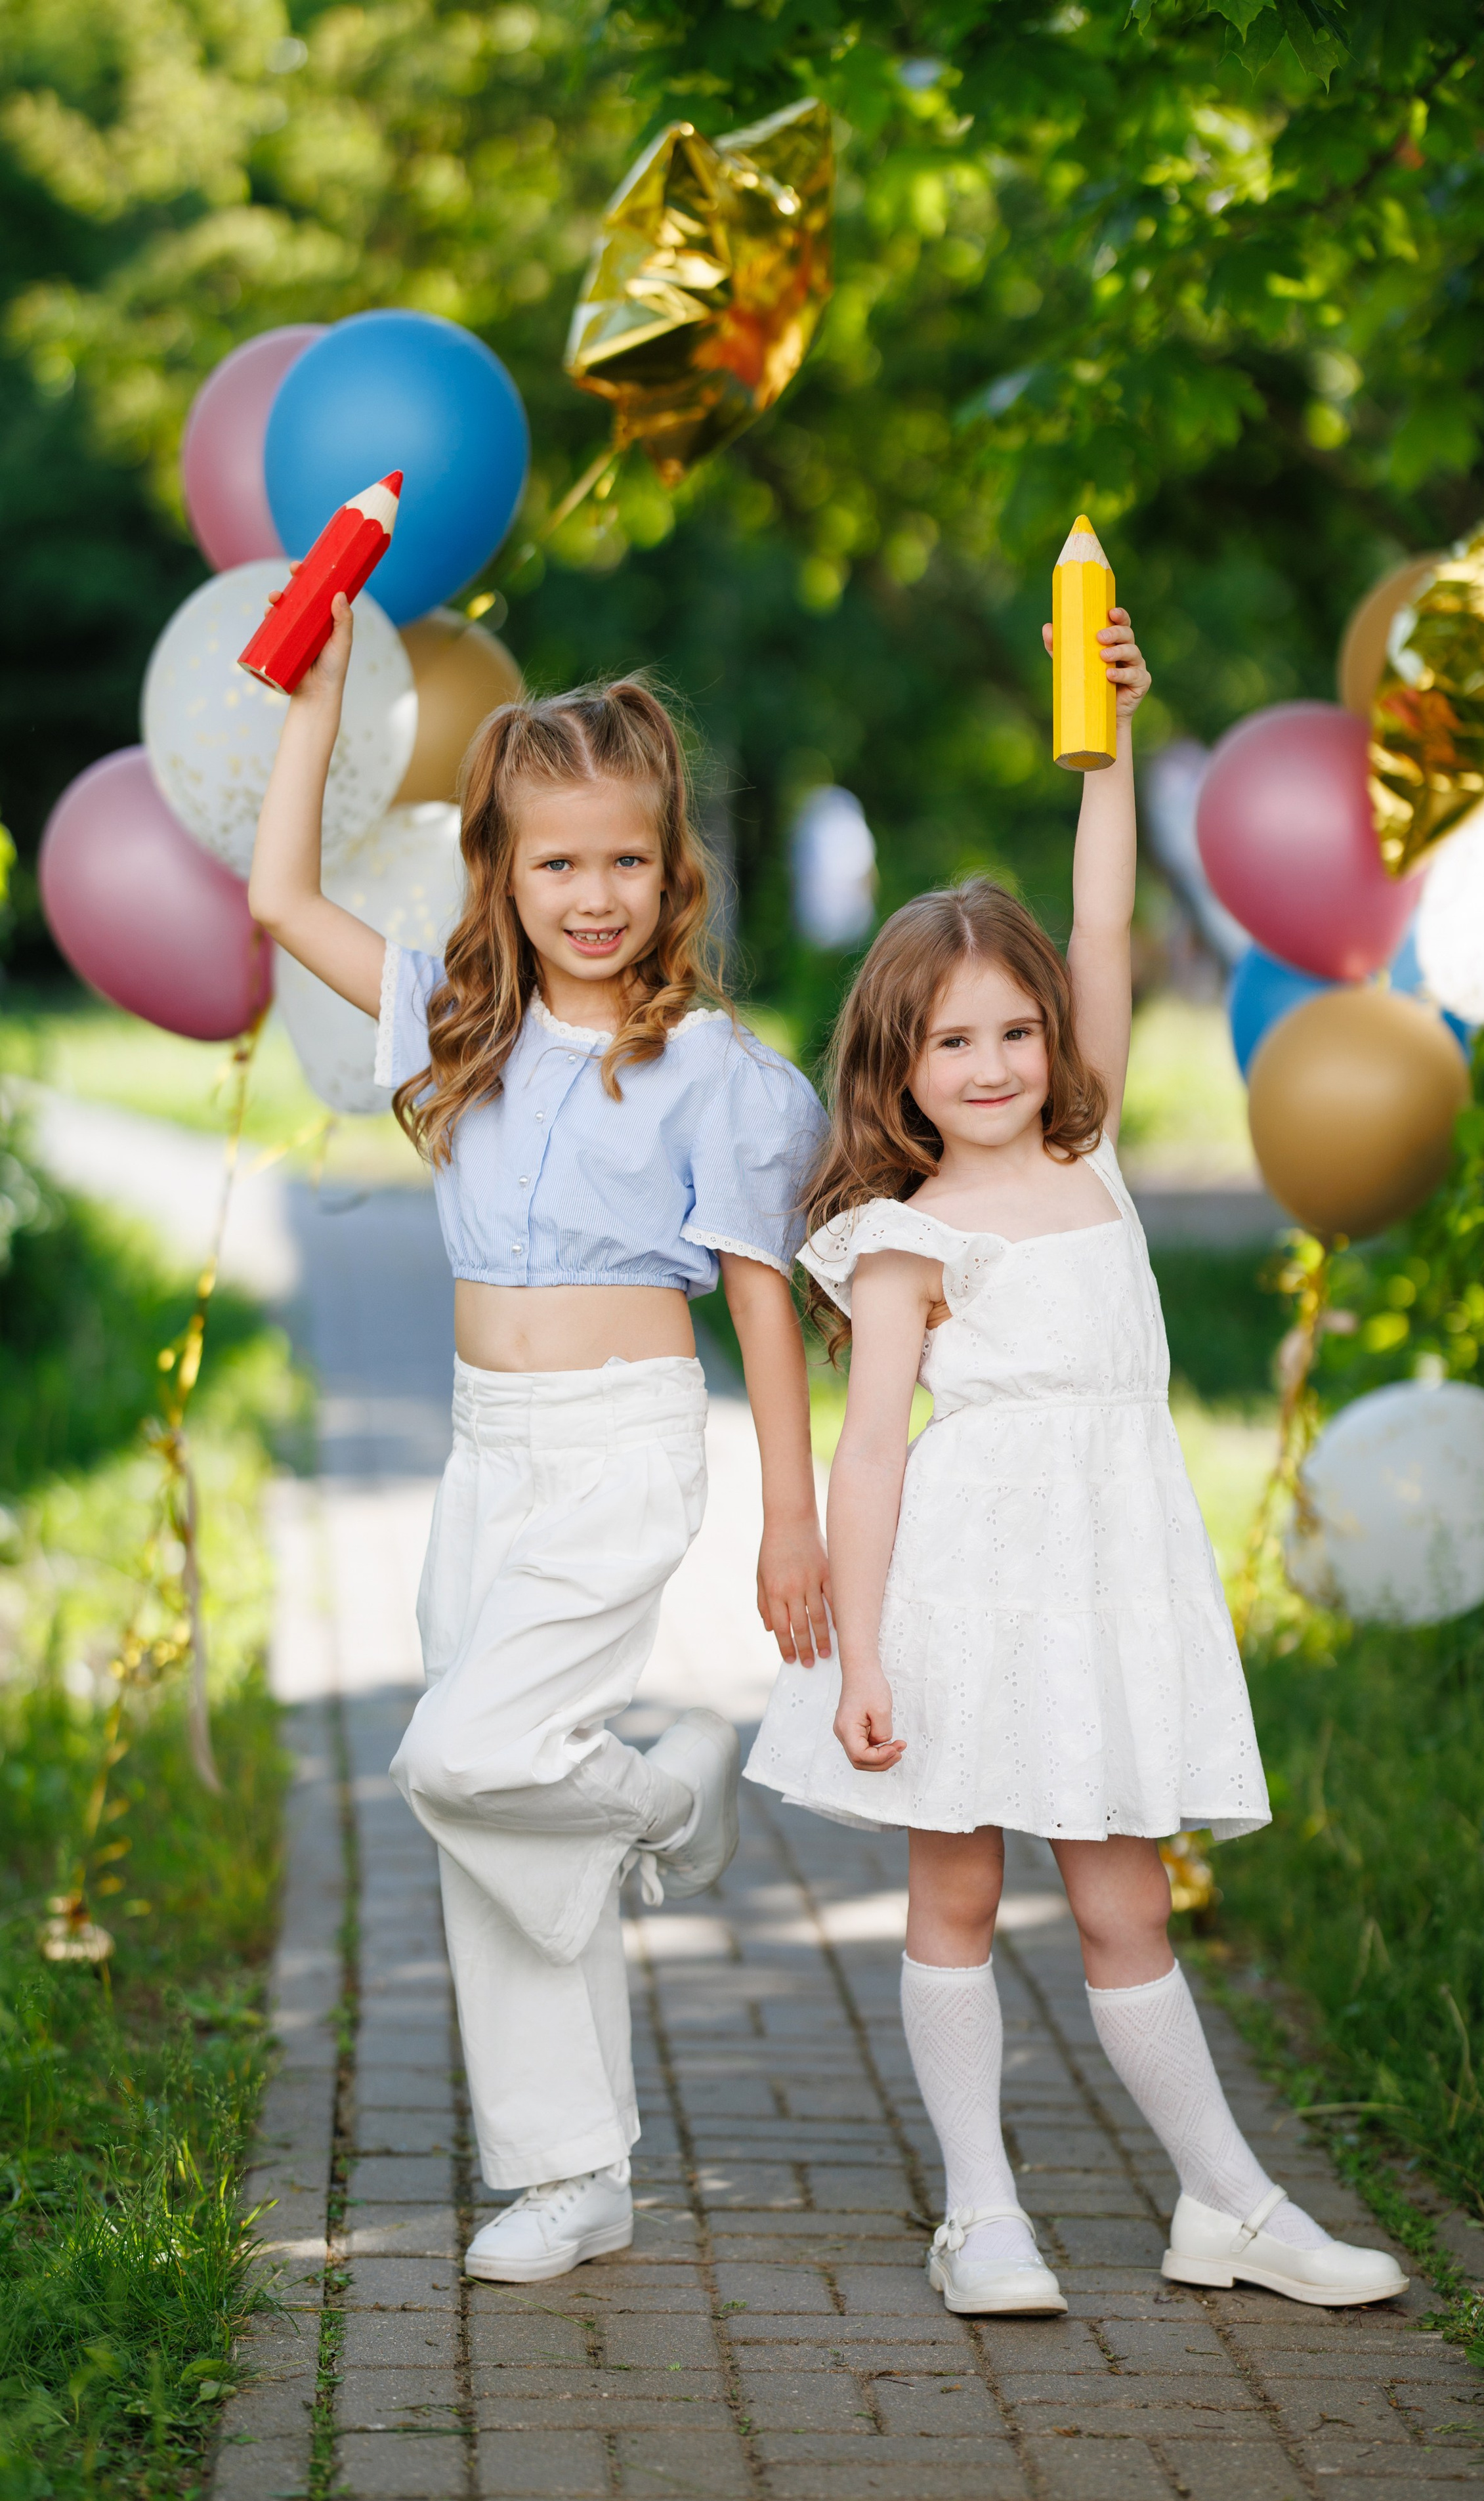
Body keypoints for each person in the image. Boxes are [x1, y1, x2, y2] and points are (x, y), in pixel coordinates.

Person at [746, 601, 1406, 2319]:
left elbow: (1101, 916)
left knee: (1127, 1904)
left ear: (1053, 1042)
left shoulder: (1088, 1154)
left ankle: (1227, 2206)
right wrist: (864, 1655)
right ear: (897, 1067)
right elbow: (870, 1459)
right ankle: (981, 2216)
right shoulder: (907, 1236)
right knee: (955, 1886)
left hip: (1106, 1584)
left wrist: (1104, 746)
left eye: (1013, 1033)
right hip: (965, 1594)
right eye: (949, 1042)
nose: (989, 1066)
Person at [249, 595, 830, 2283]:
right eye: (556, 863)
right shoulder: (458, 1023)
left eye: (625, 861)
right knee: (487, 1820)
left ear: (671, 869)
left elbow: (761, 1306)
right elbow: (279, 897)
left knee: (462, 1754)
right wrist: (319, 702)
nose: (593, 896)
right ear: (500, 872)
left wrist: (787, 1519)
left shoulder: (711, 1072)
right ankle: (570, 2173)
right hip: (481, 1455)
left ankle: (661, 1800)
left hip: (618, 1450)